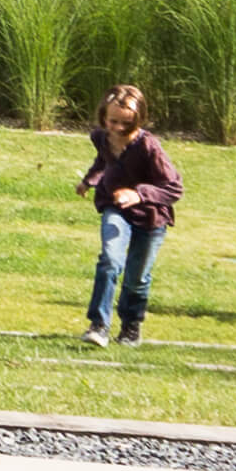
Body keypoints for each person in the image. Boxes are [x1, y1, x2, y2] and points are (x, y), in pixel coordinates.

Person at [75, 85, 182, 348]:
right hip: (116, 209)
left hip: (150, 218)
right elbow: (104, 161)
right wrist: (90, 181)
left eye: (126, 122)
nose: (119, 128)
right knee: (110, 260)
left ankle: (131, 327)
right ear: (103, 117)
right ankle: (99, 326)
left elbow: (174, 187)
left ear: (138, 119)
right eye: (113, 121)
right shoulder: (102, 138)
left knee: (137, 277)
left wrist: (139, 194)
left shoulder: (148, 146)